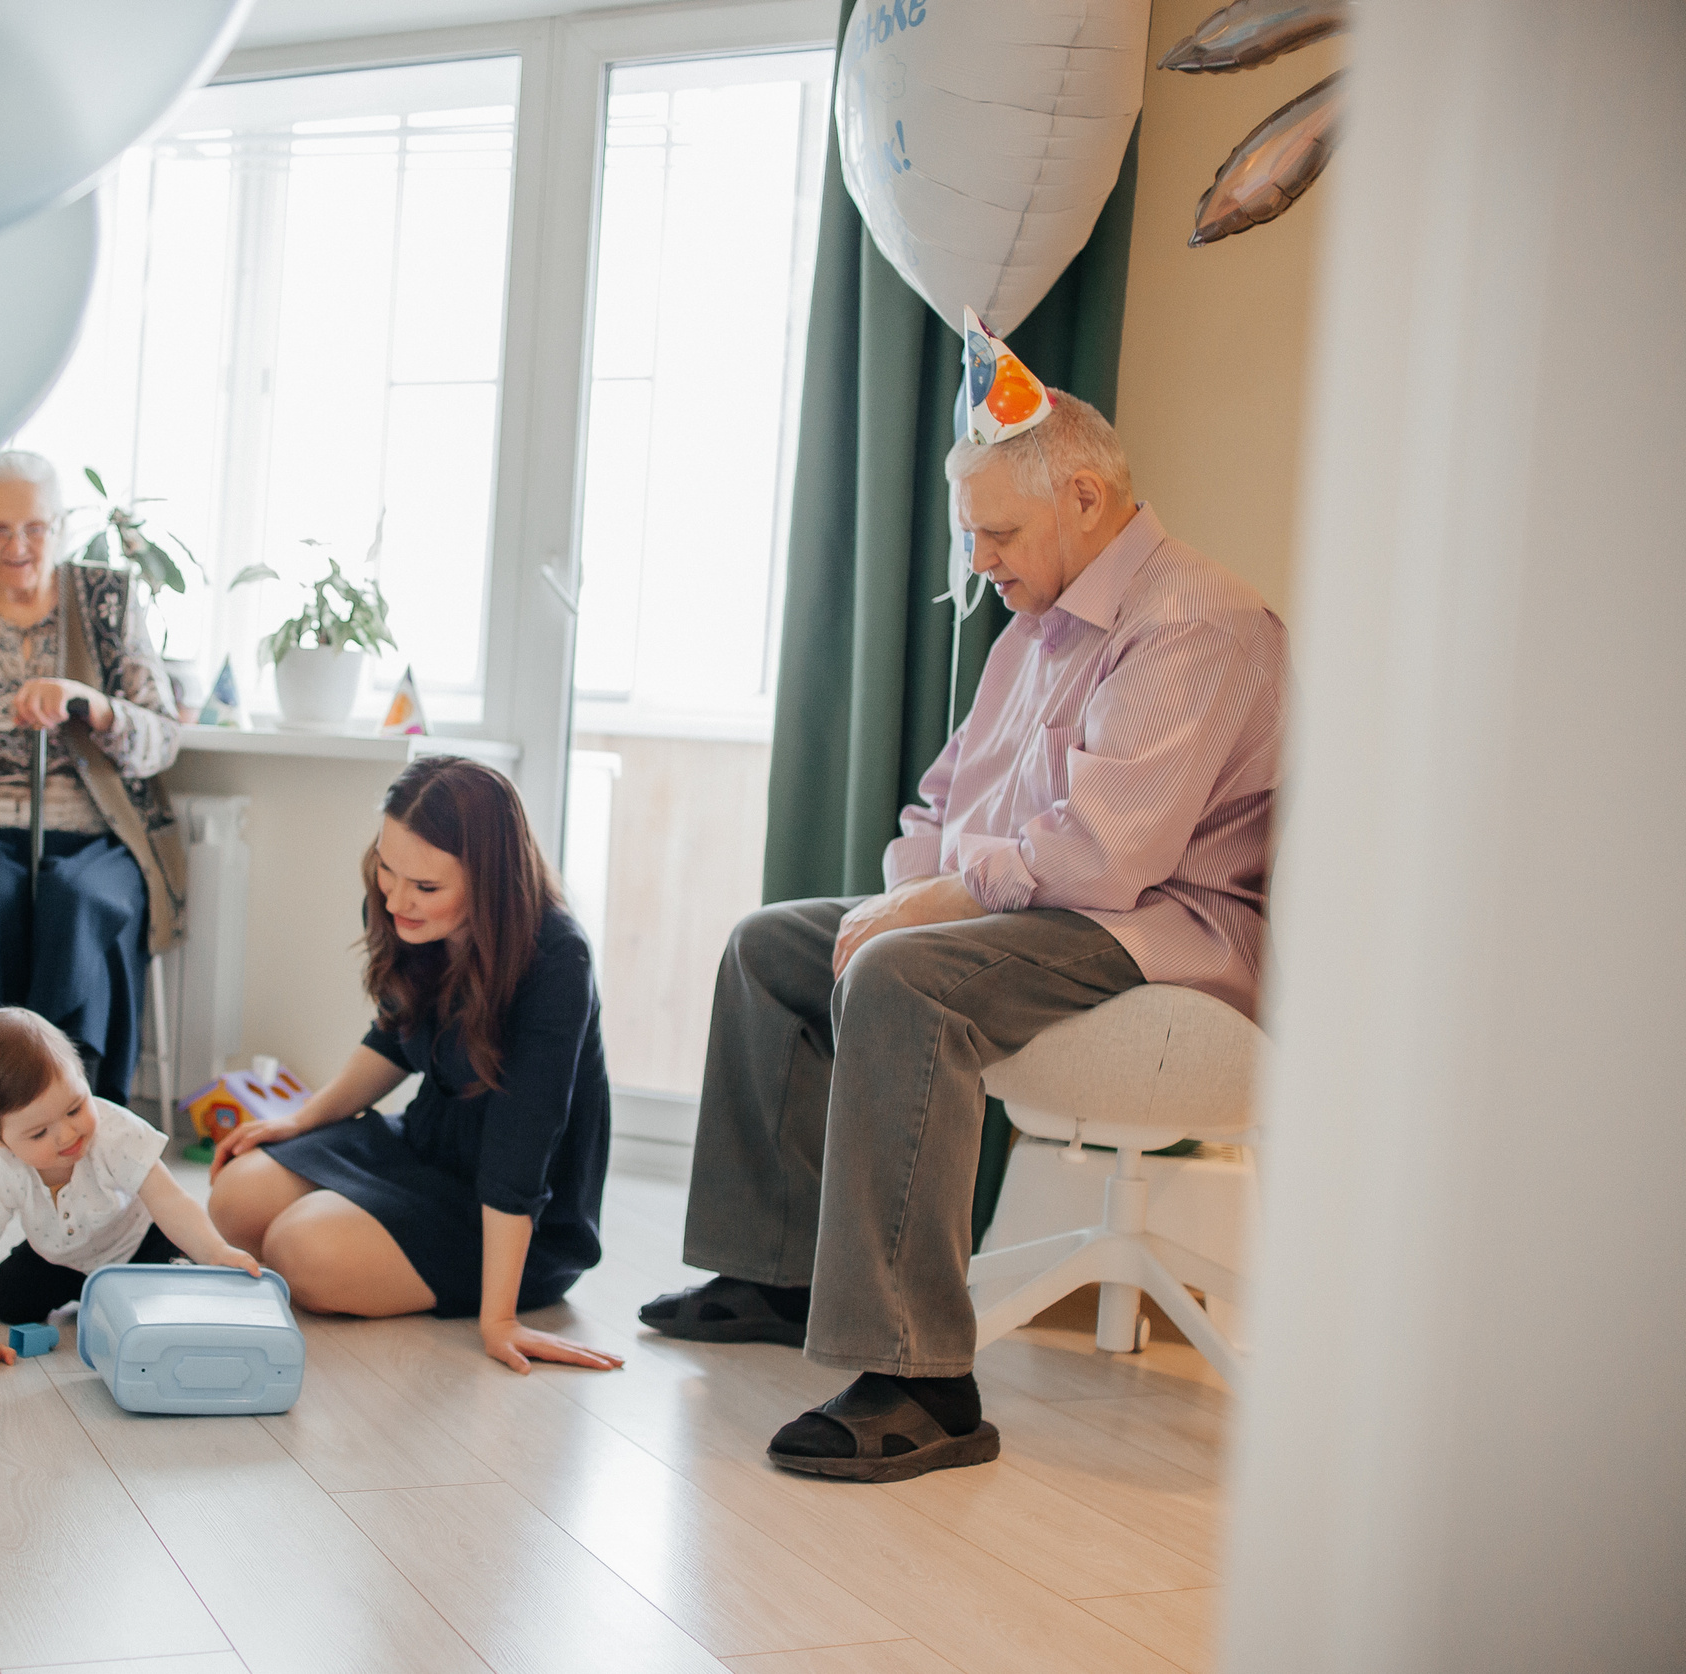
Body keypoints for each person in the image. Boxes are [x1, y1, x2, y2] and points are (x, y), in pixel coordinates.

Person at [640, 391, 1285, 1480]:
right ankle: (775, 1269)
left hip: (1165, 932)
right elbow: (941, 810)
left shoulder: (1194, 622)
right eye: (967, 530)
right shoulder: (1031, 635)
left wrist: (927, 905)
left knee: (902, 977)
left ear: (1085, 497)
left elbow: (1104, 857)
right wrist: (905, 890)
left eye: (998, 532)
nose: (976, 556)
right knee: (772, 947)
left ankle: (922, 1381)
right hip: (1042, 915)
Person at [206, 756, 624, 1376]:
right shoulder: (410, 913)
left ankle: (436, 1273)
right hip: (427, 1145)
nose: (397, 899)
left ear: (491, 882)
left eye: (426, 888)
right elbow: (395, 1037)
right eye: (386, 868)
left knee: (301, 1248)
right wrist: (302, 1120)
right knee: (233, 1199)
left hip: (517, 1212)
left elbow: (520, 1152)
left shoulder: (556, 960)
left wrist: (500, 1320)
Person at [0, 451, 182, 1196]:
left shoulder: (107, 604)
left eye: (34, 528)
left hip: (95, 833)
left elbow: (161, 738)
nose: (17, 545)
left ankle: (84, 1126)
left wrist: (90, 702)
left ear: (60, 527)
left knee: (80, 906)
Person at [0, 1008, 260, 1373]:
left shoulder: (115, 1133)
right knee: (5, 1300)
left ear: (82, 1077)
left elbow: (170, 1200)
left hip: (136, 1246)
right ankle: (91, 1298)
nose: (67, 1135)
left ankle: (121, 1296)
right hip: (59, 1257)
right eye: (39, 1133)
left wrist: (215, 1251)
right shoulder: (2, 1169)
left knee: (174, 1299)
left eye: (75, 1108)